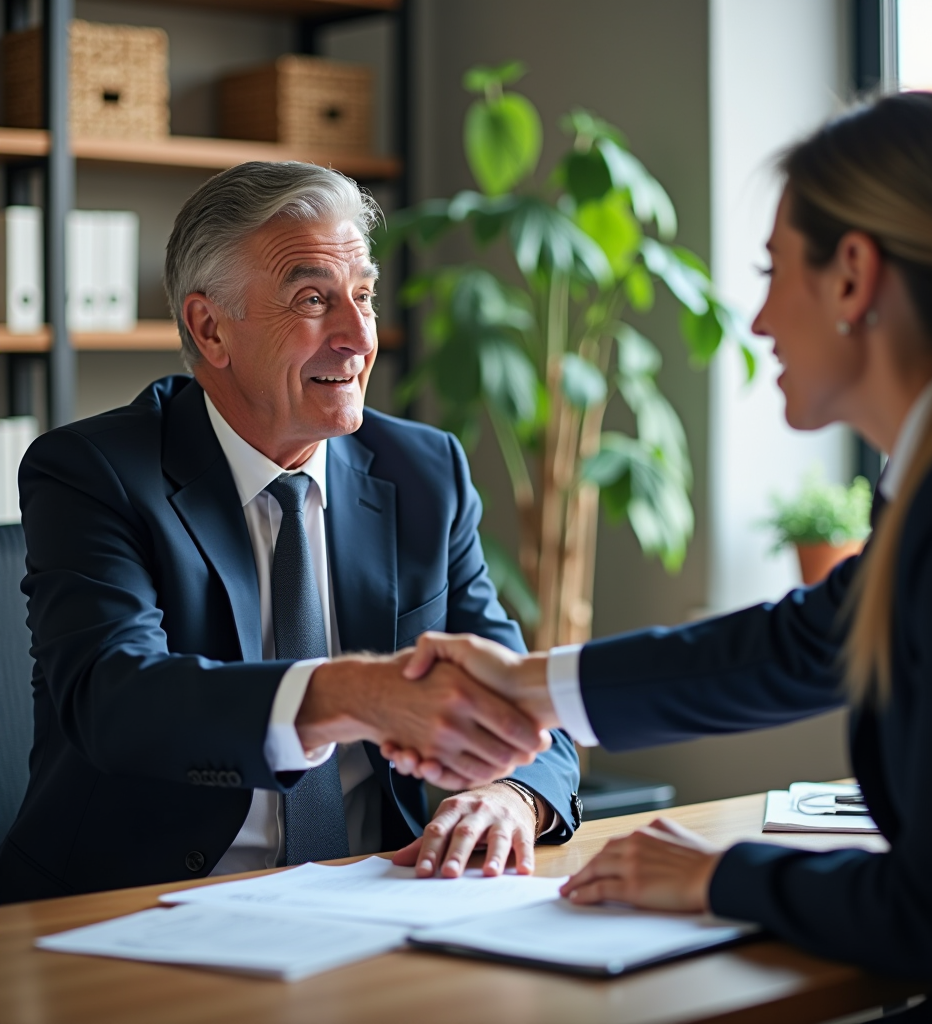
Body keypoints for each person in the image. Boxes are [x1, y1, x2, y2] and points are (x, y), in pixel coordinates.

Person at [387, 92, 932, 1021]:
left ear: (852, 277)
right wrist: (523, 685)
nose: (758, 319)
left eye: (773, 272)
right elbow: (805, 644)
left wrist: (721, 877)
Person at [0, 162, 579, 905]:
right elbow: (114, 699)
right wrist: (345, 693)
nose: (359, 336)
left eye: (363, 295)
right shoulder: (95, 471)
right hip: (140, 912)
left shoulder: (425, 472)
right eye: (313, 300)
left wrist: (509, 797)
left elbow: (524, 703)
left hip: (371, 903)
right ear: (210, 329)